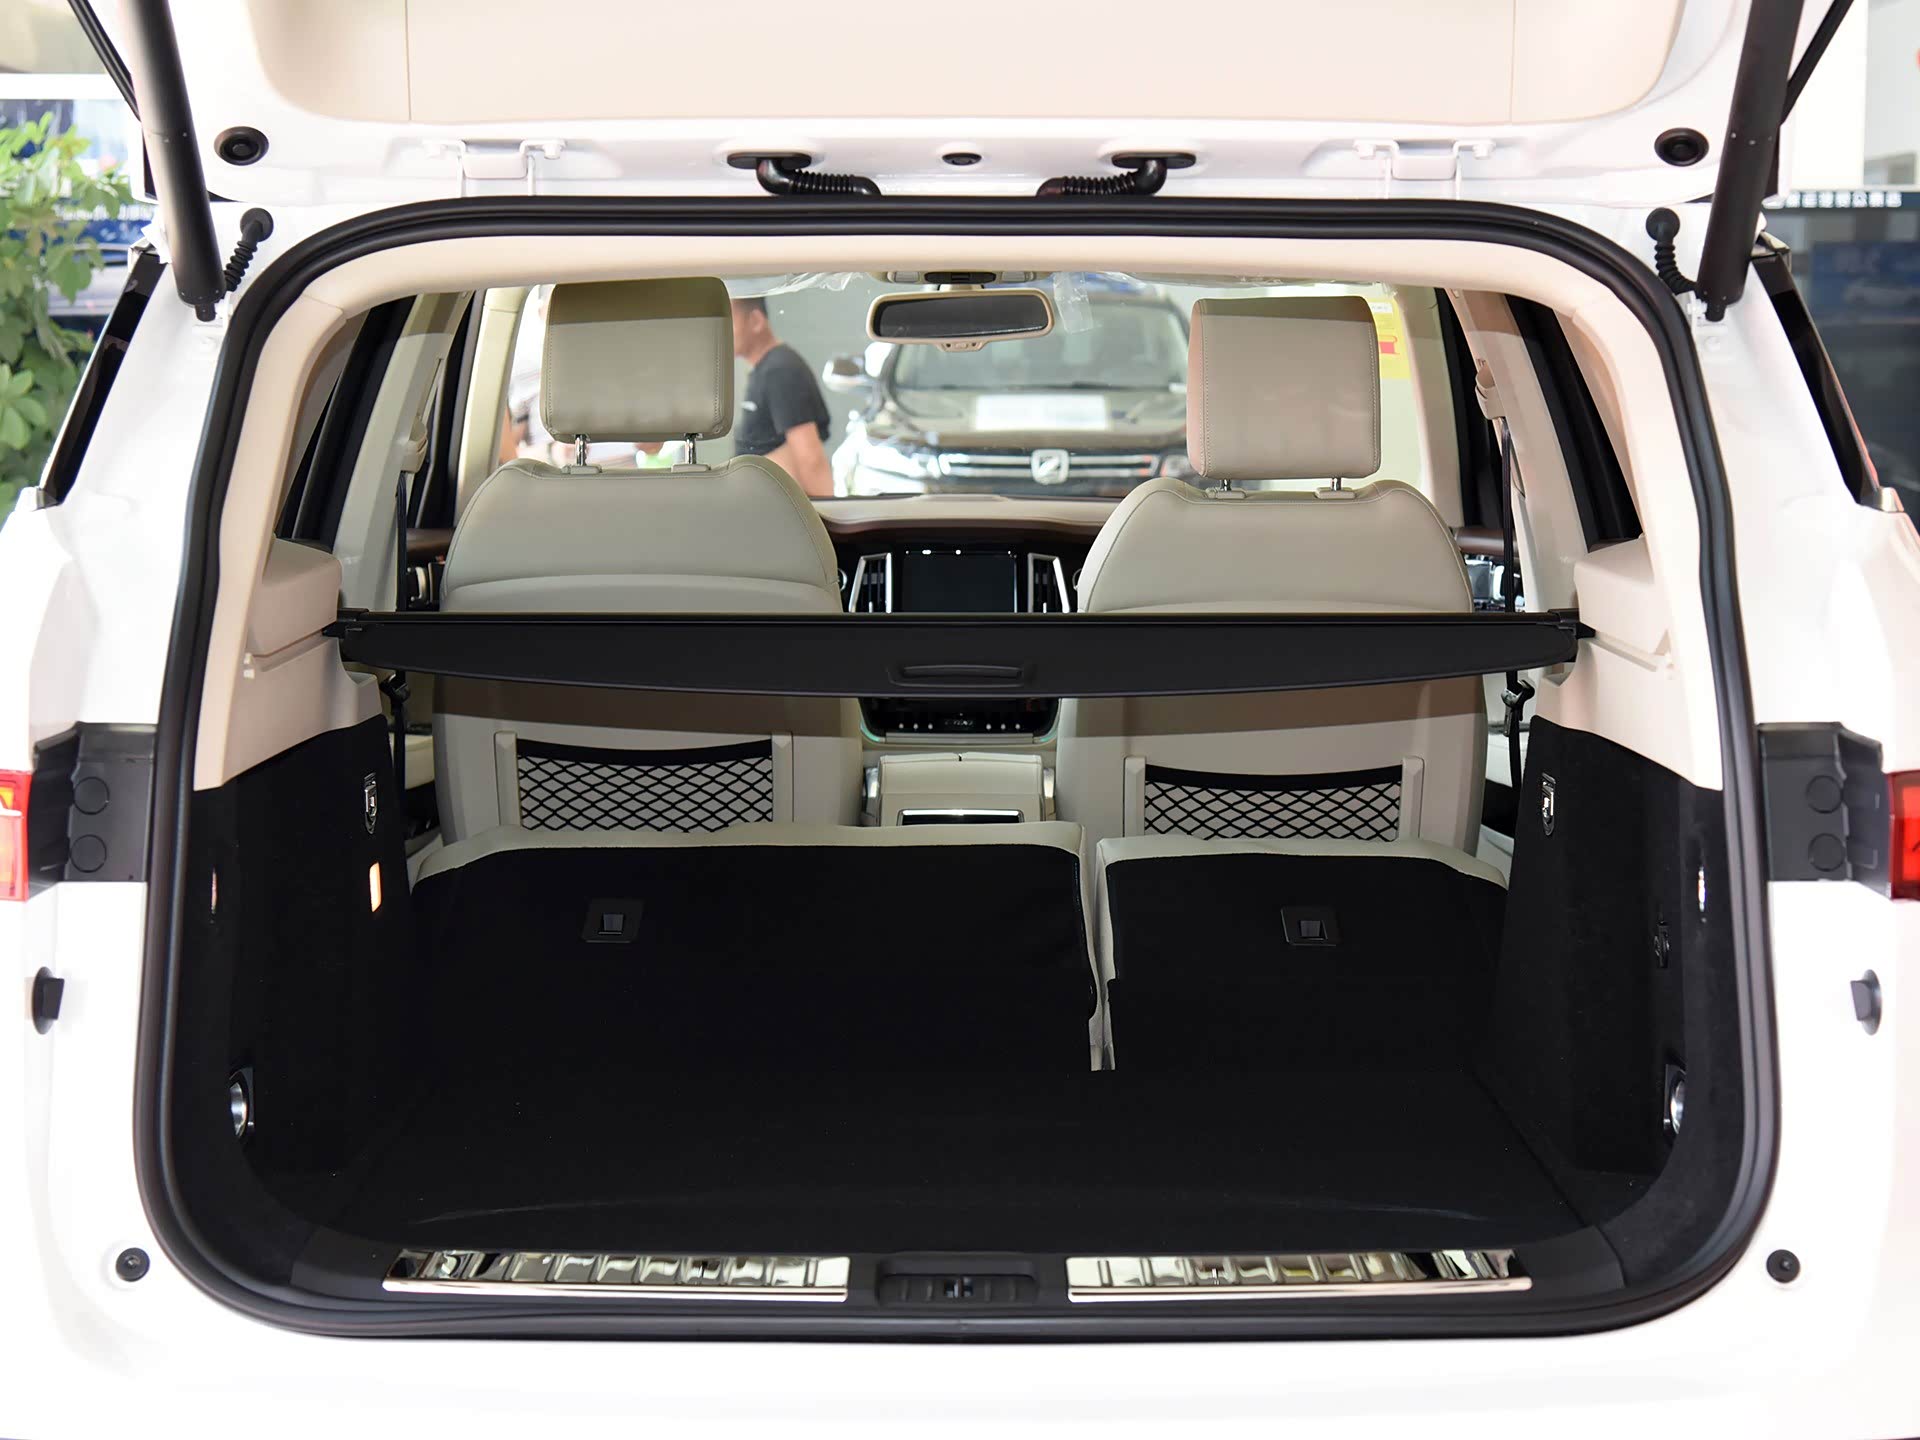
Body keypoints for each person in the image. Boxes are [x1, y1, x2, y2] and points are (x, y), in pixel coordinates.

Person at [730, 296, 835, 497]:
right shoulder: (766, 369)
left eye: (730, 323)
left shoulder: (781, 371)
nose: (722, 333)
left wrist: (824, 513)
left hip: (776, 509)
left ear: (756, 321)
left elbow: (810, 459)